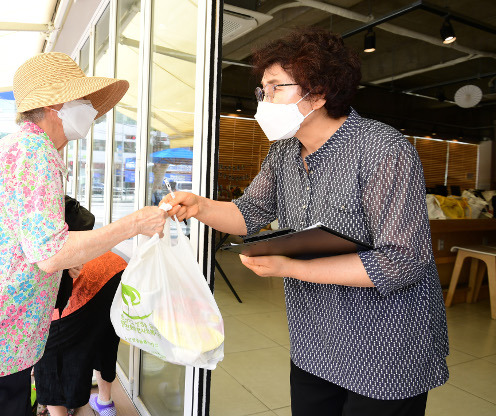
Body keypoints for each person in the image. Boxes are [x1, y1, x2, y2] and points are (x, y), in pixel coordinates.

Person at [163, 27, 448, 416]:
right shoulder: (284, 153)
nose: (265, 100)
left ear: (318, 92)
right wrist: (199, 206)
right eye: (262, 90)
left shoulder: (384, 150)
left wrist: (290, 267)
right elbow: (250, 213)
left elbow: (402, 261)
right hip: (314, 340)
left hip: (386, 345)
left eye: (276, 88)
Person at [0, 52, 167, 416]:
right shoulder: (35, 152)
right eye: (83, 100)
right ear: (56, 104)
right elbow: (51, 251)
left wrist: (65, 263)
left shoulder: (23, 147)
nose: (90, 109)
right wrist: (134, 224)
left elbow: (33, 244)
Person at [34, 196, 125, 416]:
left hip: (85, 283)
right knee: (104, 341)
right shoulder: (50, 215)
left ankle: (63, 410)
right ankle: (105, 403)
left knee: (51, 362)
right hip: (115, 269)